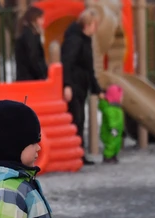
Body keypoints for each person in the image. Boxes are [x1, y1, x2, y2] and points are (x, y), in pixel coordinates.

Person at [60, 9, 104, 164]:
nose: (96, 28)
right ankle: (74, 154)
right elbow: (66, 63)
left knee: (80, 119)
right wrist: (67, 85)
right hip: (74, 85)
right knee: (76, 118)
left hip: (81, 85)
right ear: (87, 25)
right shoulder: (75, 40)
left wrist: (96, 89)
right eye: (94, 25)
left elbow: (89, 67)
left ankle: (78, 153)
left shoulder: (85, 39)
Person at [15, 6, 48, 81]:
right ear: (35, 19)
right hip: (30, 78)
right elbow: (34, 57)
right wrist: (42, 75)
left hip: (26, 77)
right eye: (41, 18)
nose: (43, 21)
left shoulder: (25, 32)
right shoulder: (30, 34)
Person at [99, 84, 124, 164]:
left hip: (117, 130)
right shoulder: (110, 109)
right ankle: (107, 156)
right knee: (111, 143)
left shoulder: (117, 108)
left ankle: (113, 155)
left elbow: (119, 120)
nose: (121, 98)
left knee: (117, 143)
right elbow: (111, 120)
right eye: (120, 97)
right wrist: (113, 127)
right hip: (111, 131)